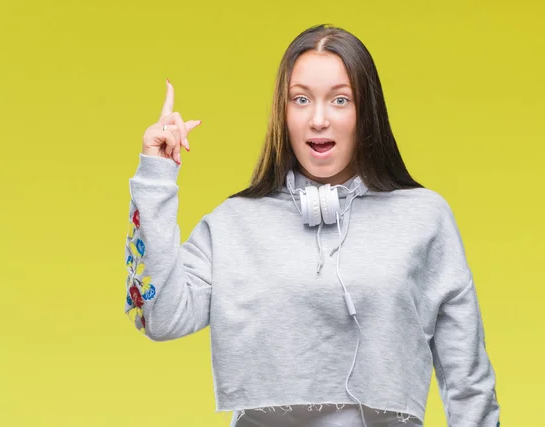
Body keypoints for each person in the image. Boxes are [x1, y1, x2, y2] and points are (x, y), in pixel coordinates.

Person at [124, 24, 501, 427]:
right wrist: (156, 175)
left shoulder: (425, 217)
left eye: (340, 100)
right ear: (283, 113)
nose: (318, 119)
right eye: (301, 99)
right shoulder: (234, 222)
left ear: (366, 112)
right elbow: (158, 317)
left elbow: (468, 380)